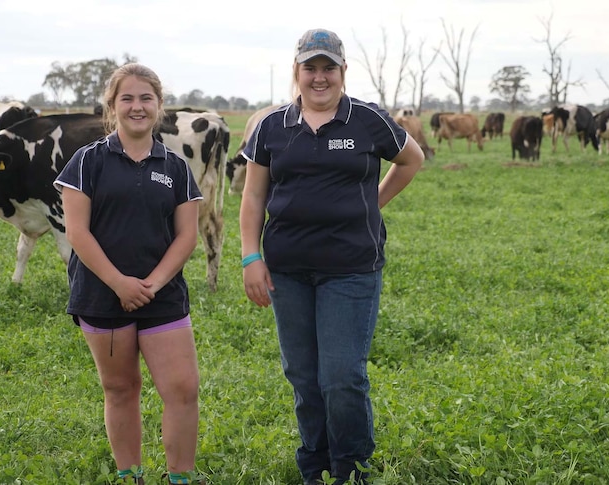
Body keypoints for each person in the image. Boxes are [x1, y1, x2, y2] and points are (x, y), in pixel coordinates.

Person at [239, 29, 424, 485]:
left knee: (341, 376)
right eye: (311, 68)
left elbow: (412, 160)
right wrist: (250, 257)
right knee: (303, 376)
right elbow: (252, 195)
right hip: (288, 270)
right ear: (297, 72)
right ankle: (314, 465)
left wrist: (372, 204)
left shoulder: (366, 120)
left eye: (328, 68)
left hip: (352, 268)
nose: (319, 78)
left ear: (342, 72)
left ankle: (351, 467)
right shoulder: (271, 126)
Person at [53, 63, 205, 485]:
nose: (137, 107)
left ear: (158, 106)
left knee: (182, 389)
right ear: (112, 105)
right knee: (120, 389)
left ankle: (180, 479)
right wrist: (119, 283)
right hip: (102, 295)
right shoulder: (87, 162)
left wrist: (151, 284)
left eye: (146, 98)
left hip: (163, 296)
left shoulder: (175, 166)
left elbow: (187, 236)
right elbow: (77, 232)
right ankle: (129, 476)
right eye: (127, 98)